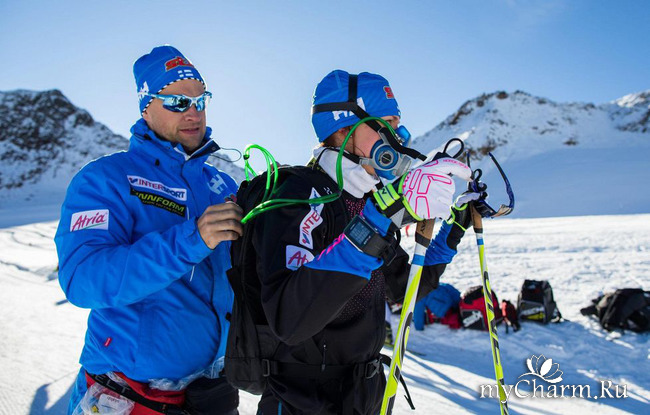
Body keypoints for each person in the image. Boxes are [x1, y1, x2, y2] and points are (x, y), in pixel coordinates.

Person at [243, 70, 482, 414]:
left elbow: (407, 288)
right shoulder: (298, 194)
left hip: (364, 395)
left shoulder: (365, 201)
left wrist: (455, 225)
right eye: (388, 125)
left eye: (400, 126)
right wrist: (379, 219)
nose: (399, 137)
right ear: (344, 127)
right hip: (303, 402)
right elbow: (289, 319)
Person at [55, 45, 242, 415]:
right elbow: (83, 279)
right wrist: (192, 239)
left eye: (200, 100)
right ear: (146, 106)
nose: (193, 112)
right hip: (127, 394)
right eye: (177, 102)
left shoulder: (222, 185)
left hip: (212, 392)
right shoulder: (107, 178)